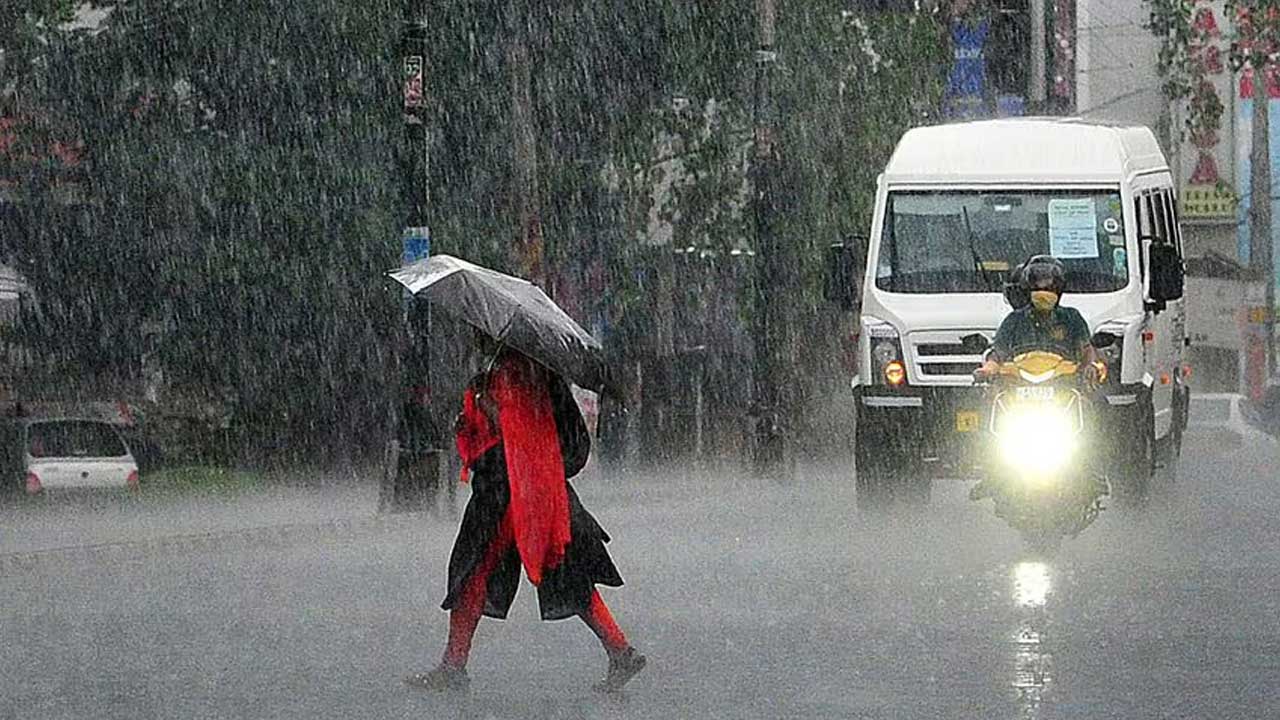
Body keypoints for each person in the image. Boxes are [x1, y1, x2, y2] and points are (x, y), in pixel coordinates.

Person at [405, 346, 646, 693]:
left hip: (508, 494)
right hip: (541, 490)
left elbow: (513, 431)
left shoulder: (513, 372)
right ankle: (619, 648)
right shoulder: (538, 372)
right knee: (566, 574)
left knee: (473, 572)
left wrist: (486, 407)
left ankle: (454, 666)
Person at [976, 254, 1100, 379]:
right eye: (1037, 285)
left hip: (1064, 385)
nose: (1043, 291)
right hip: (1017, 385)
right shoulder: (1014, 319)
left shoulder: (1071, 317)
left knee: (1094, 398)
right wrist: (988, 369)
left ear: (1059, 289)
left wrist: (1090, 366)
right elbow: (998, 353)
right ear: (1027, 288)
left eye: (1049, 287)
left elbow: (1086, 350)